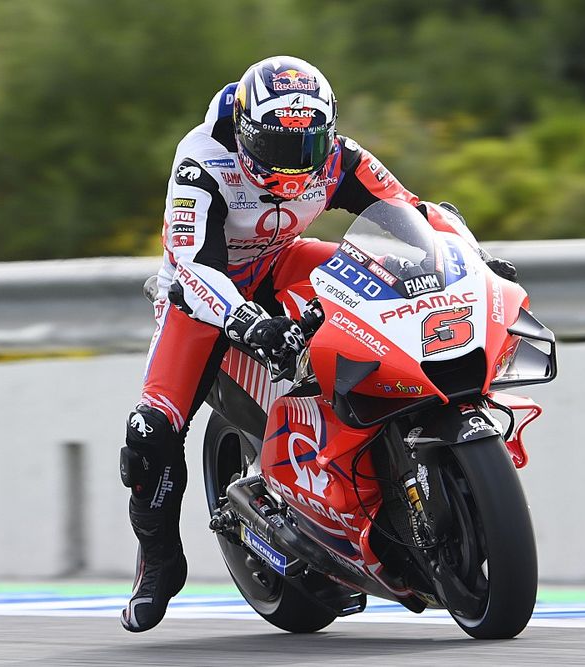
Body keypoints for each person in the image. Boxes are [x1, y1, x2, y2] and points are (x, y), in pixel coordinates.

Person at [119, 55, 517, 632]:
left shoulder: (337, 156)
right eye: (280, 149)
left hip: (285, 263)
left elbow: (411, 214)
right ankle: (158, 562)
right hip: (205, 294)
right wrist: (247, 322)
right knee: (149, 432)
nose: (295, 166)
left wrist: (469, 262)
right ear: (248, 135)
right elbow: (190, 266)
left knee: (393, 280)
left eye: (307, 148)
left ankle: (369, 447)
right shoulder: (201, 162)